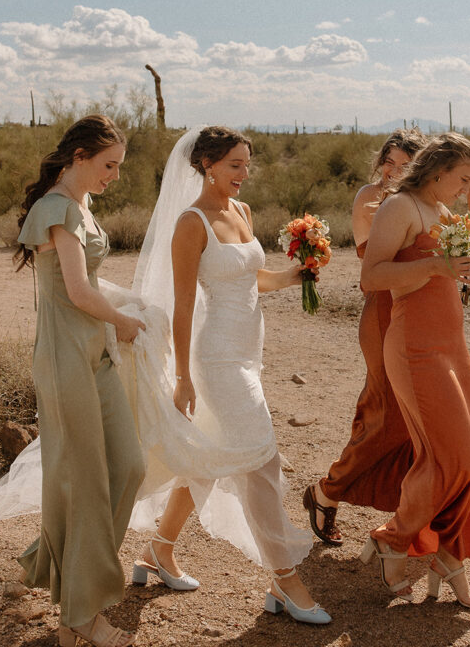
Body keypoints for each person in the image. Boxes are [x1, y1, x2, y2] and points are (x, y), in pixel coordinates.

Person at [129, 126, 331, 626]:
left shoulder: (240, 212)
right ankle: (284, 578)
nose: (245, 174)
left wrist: (296, 274)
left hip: (248, 351)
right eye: (236, 165)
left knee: (212, 452)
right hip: (214, 357)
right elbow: (181, 306)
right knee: (262, 457)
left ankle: (158, 549)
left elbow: (250, 277)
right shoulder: (191, 223)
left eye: (248, 164)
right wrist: (183, 377)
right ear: (207, 165)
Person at [12, 115, 146, 647]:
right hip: (65, 358)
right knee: (86, 482)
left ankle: (74, 582)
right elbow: (77, 291)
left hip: (96, 355)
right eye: (108, 165)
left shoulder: (82, 205)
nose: (114, 175)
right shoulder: (56, 208)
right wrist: (125, 320)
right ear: (79, 157)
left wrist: (123, 319)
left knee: (129, 467)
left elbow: (91, 283)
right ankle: (81, 615)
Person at [358, 132, 470, 609]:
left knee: (461, 456)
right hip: (414, 347)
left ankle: (446, 556)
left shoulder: (443, 209)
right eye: (462, 178)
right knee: (452, 457)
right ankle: (395, 539)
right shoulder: (401, 207)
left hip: (451, 345)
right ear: (437, 171)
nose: (464, 186)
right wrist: (437, 265)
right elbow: (370, 277)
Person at [303, 129, 426, 547]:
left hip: (422, 312)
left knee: (416, 418)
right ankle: (326, 491)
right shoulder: (371, 199)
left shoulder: (427, 201)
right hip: (384, 312)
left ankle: (408, 514)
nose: (392, 171)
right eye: (388, 162)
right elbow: (381, 259)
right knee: (387, 412)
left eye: (404, 164)